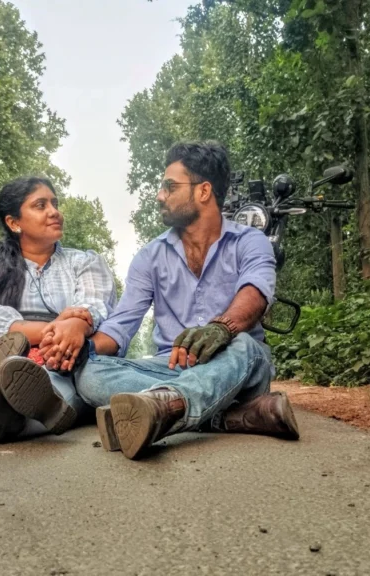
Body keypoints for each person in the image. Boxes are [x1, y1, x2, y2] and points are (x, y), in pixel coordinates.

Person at [73, 141, 300, 460]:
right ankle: (223, 416)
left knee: (244, 345)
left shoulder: (251, 241)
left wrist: (222, 328)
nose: (159, 195)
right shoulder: (149, 257)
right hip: (169, 366)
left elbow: (255, 293)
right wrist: (81, 349)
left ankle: (170, 405)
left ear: (204, 191)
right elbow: (119, 326)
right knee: (89, 372)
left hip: (237, 366)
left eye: (170, 186)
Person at [0, 177, 117, 447]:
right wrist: (54, 330)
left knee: (62, 391)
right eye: (40, 205)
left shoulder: (84, 262)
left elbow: (95, 305)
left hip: (61, 360)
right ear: (14, 222)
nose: (54, 211)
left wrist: (74, 329)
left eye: (55, 204)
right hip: (2, 346)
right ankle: (2, 402)